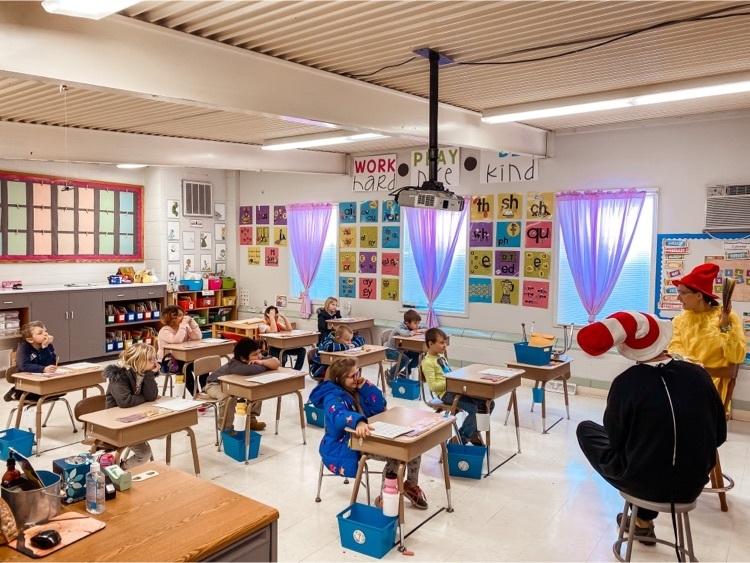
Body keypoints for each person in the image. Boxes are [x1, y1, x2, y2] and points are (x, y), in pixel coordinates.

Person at [576, 311, 726, 545]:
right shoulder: (699, 375)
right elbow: (719, 435)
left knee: (586, 429)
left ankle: (642, 519)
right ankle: (642, 521)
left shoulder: (626, 383)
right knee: (655, 448)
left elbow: (616, 440)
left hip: (642, 483)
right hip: (693, 483)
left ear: (627, 348)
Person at [309, 357, 428, 509]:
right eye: (352, 376)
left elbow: (380, 407)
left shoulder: (357, 388)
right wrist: (358, 422)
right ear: (339, 379)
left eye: (358, 373)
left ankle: (410, 485)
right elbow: (339, 415)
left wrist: (366, 387)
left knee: (413, 446)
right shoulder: (331, 396)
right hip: (344, 444)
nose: (357, 378)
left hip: (365, 436)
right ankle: (385, 497)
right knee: (396, 454)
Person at [667, 263, 745, 412]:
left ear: (699, 295)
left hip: (713, 391)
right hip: (685, 383)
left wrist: (724, 326)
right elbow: (675, 349)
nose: (678, 298)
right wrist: (695, 368)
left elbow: (737, 356)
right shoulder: (679, 321)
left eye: (682, 293)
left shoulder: (726, 317)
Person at [421, 328, 490, 446]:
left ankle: (474, 432)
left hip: (455, 389)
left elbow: (448, 374)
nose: (445, 345)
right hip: (446, 394)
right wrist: (452, 382)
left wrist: (458, 380)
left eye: (445, 342)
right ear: (431, 344)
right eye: (441, 343)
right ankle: (461, 438)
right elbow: (433, 386)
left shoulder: (441, 357)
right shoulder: (427, 362)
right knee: (474, 409)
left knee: (488, 404)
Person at [103, 343, 160, 470]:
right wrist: (145, 398)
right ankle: (118, 470)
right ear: (139, 360)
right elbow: (125, 401)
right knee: (144, 454)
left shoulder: (143, 373)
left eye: (155, 357)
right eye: (151, 359)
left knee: (162, 431)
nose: (155, 362)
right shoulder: (119, 375)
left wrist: (150, 375)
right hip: (117, 424)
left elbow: (152, 396)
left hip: (136, 419)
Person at [203, 337, 279, 432]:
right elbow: (253, 370)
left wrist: (262, 362)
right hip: (215, 384)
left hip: (234, 384)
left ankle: (251, 420)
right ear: (243, 358)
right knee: (227, 397)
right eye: (255, 355)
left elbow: (276, 362)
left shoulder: (257, 359)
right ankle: (226, 428)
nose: (259, 356)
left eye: (259, 352)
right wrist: (266, 365)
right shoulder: (235, 365)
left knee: (257, 389)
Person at [4, 321, 57, 403]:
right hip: (26, 381)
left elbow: (51, 363)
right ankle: (16, 392)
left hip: (42, 379)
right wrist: (43, 369)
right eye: (40, 333)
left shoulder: (47, 345)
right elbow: (24, 365)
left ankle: (18, 392)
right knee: (39, 394)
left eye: (45, 331)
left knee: (60, 391)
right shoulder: (23, 348)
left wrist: (45, 348)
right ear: (30, 339)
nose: (45, 334)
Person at [157, 306, 202, 395]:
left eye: (183, 315)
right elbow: (176, 340)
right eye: (180, 316)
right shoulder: (164, 331)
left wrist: (192, 323)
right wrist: (183, 324)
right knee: (185, 368)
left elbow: (197, 337)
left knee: (202, 365)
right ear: (172, 318)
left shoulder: (184, 327)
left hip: (183, 358)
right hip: (168, 362)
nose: (184, 318)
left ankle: (206, 390)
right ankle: (196, 394)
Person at [258, 306, 306, 371]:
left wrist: (283, 317)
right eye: (273, 318)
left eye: (276, 318)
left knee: (302, 351)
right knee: (283, 358)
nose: (275, 320)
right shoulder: (262, 326)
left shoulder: (277, 324)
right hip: (272, 349)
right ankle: (280, 372)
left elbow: (289, 329)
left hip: (282, 347)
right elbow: (273, 330)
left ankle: (296, 370)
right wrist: (271, 317)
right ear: (267, 317)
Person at [385, 309, 426, 385]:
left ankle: (404, 373)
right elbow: (404, 333)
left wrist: (422, 329)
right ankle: (390, 373)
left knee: (420, 355)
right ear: (407, 323)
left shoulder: (411, 326)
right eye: (415, 323)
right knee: (405, 359)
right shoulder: (400, 327)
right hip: (390, 351)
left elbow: (424, 328)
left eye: (418, 323)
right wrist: (414, 332)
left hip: (403, 350)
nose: (417, 325)